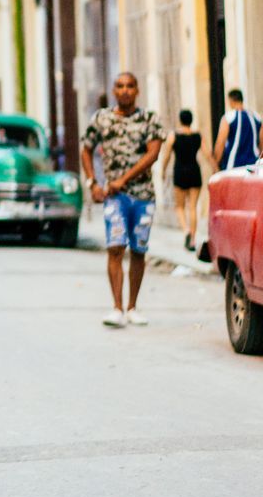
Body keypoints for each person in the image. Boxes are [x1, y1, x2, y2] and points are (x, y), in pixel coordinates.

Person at [81, 72, 164, 330]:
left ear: (137, 90)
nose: (125, 90)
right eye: (120, 86)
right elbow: (86, 148)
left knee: (138, 250)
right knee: (115, 247)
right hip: (115, 198)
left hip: (143, 196)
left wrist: (123, 179)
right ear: (113, 90)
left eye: (130, 86)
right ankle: (117, 308)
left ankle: (132, 307)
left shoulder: (149, 119)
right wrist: (92, 182)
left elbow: (153, 153)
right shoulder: (102, 118)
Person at [160, 109, 214, 253]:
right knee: (193, 207)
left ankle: (186, 231)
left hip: (180, 172)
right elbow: (208, 154)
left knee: (179, 206)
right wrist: (216, 168)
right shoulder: (198, 136)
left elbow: (166, 155)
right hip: (194, 171)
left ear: (180, 120)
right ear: (191, 120)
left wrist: (163, 171)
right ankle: (193, 238)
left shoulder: (173, 136)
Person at [212, 89, 261, 171]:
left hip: (234, 165)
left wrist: (216, 164)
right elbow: (261, 143)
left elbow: (220, 143)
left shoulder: (229, 117)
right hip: (254, 165)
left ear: (231, 101)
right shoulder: (256, 117)